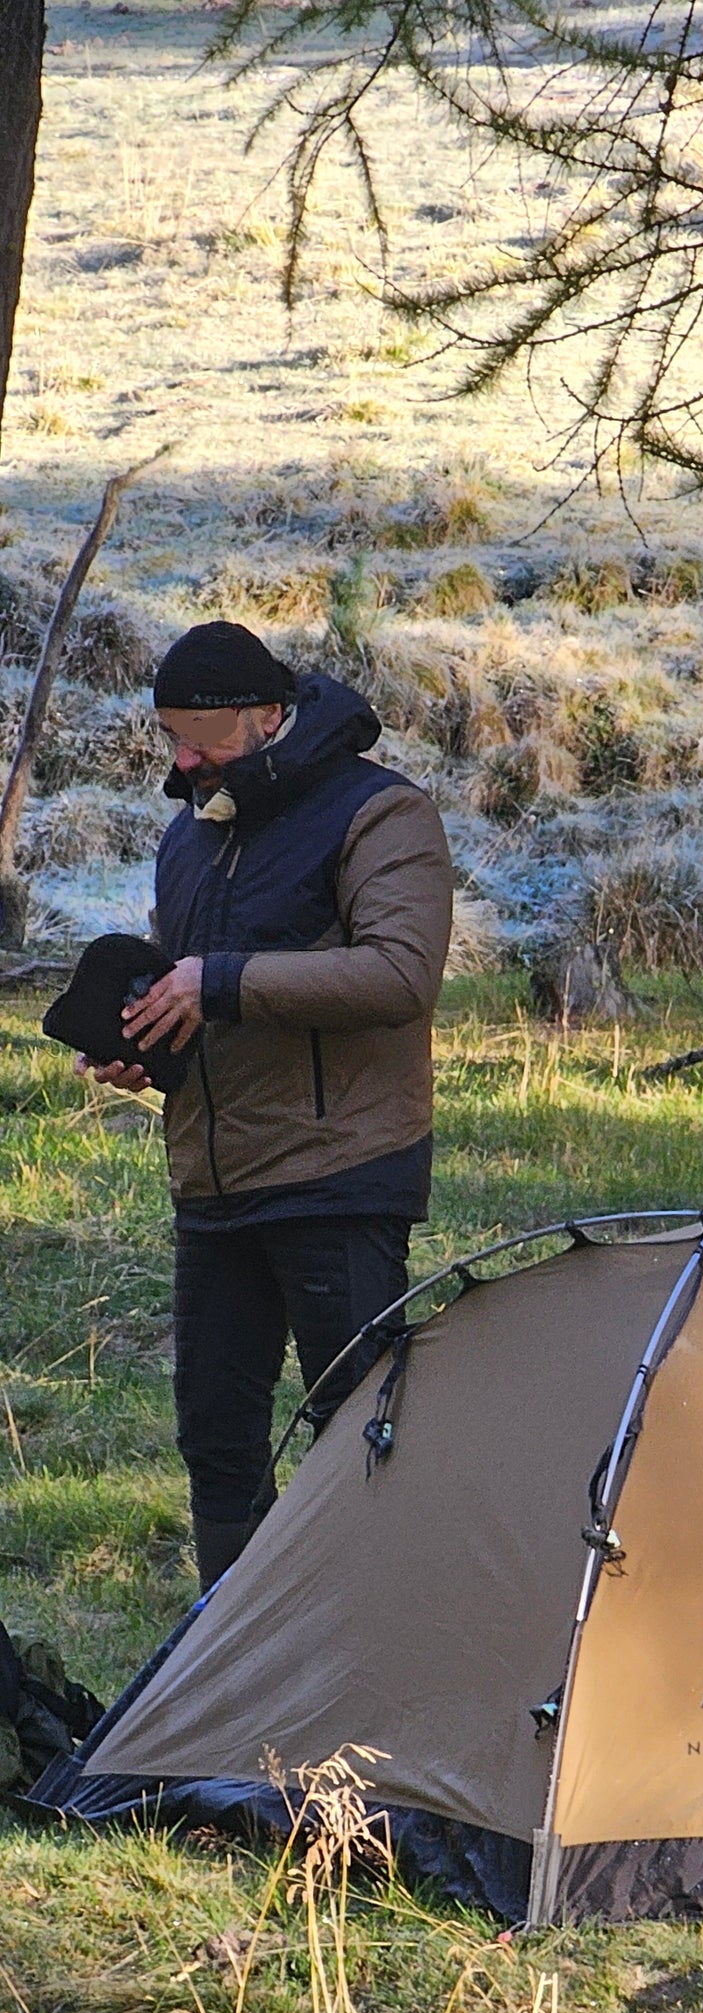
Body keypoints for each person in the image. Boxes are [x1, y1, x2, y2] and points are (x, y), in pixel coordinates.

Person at [77, 621, 453, 1590]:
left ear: (271, 713)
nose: (183, 758)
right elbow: (207, 997)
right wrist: (150, 1049)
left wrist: (221, 979)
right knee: (216, 1441)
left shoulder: (383, 814)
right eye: (170, 736)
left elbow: (400, 975)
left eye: (201, 735)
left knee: (363, 1437)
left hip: (339, 1178)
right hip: (215, 1185)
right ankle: (235, 1675)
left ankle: (377, 1657)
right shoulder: (188, 837)